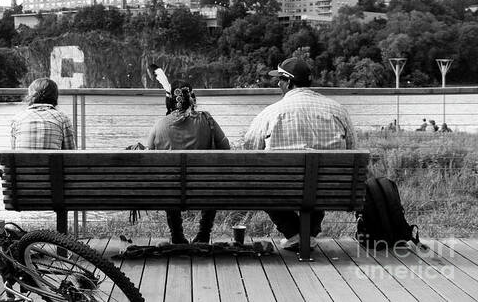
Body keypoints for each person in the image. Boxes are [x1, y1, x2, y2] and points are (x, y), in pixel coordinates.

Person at [243, 57, 356, 251]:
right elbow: (353, 148)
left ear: (288, 82)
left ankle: (294, 233)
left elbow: (249, 148)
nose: (278, 83)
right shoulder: (338, 110)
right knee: (319, 182)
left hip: (281, 188)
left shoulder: (270, 112)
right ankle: (308, 234)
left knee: (261, 184)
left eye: (280, 79)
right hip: (329, 188)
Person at [147, 79, 230, 244]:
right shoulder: (207, 120)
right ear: (191, 98)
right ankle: (203, 234)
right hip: (204, 190)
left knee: (169, 180)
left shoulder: (158, 126)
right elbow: (226, 150)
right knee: (211, 179)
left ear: (169, 100)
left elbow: (149, 159)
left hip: (170, 193)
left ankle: (177, 235)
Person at [11, 78, 75, 150]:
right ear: (55, 96)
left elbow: (13, 151)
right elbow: (70, 153)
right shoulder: (62, 119)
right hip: (51, 161)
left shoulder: (18, 119)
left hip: (22, 161)